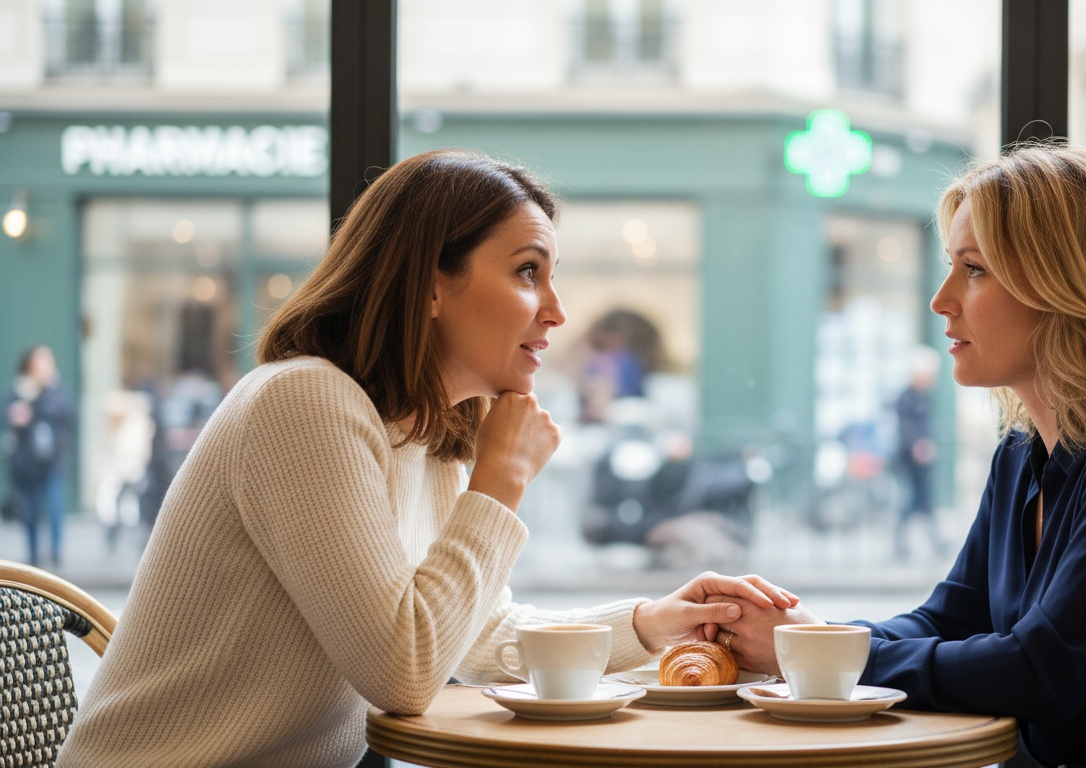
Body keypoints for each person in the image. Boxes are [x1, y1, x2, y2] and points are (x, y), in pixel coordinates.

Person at [56, 149, 795, 768]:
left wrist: (651, 624)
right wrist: (501, 481)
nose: (556, 310)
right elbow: (404, 671)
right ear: (432, 284)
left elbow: (477, 635)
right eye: (528, 271)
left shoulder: (426, 435)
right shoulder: (305, 402)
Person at [703, 145, 1086, 768]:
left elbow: (1047, 670)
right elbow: (948, 621)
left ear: (1066, 285)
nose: (941, 299)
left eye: (974, 269)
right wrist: (810, 639)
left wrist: (815, 656)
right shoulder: (1021, 453)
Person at [3, 344, 74, 567]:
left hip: (51, 460)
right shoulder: (18, 390)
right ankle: (33, 556)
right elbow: (7, 417)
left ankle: (55, 552)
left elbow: (68, 416)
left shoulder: (56, 390)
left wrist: (46, 393)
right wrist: (15, 416)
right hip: (27, 462)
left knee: (54, 506)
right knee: (30, 511)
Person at [891, 348, 946, 560]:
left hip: (920, 460)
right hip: (910, 460)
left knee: (924, 500)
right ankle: (903, 544)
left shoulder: (922, 397)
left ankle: (934, 542)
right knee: (913, 501)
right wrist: (917, 445)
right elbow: (907, 427)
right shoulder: (907, 398)